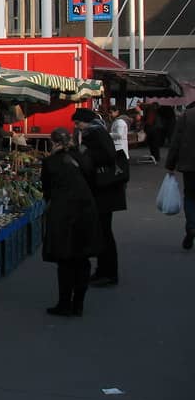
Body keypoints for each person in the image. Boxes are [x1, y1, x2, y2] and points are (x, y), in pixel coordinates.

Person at [41, 127, 101, 316]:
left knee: (65, 260)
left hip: (63, 213)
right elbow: (93, 180)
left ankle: (65, 303)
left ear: (53, 142)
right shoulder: (83, 158)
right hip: (86, 210)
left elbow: (47, 191)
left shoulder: (50, 162)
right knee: (82, 259)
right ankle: (79, 304)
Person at [72, 107, 126, 286]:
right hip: (104, 191)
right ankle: (104, 270)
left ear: (86, 121)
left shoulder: (95, 134)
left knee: (104, 233)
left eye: (78, 123)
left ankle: (108, 273)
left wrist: (84, 152)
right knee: (103, 232)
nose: (77, 126)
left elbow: (107, 156)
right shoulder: (97, 131)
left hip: (103, 191)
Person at [165, 104, 195, 250]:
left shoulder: (186, 116)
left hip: (190, 165)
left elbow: (175, 141)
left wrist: (170, 165)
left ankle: (191, 226)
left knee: (190, 196)